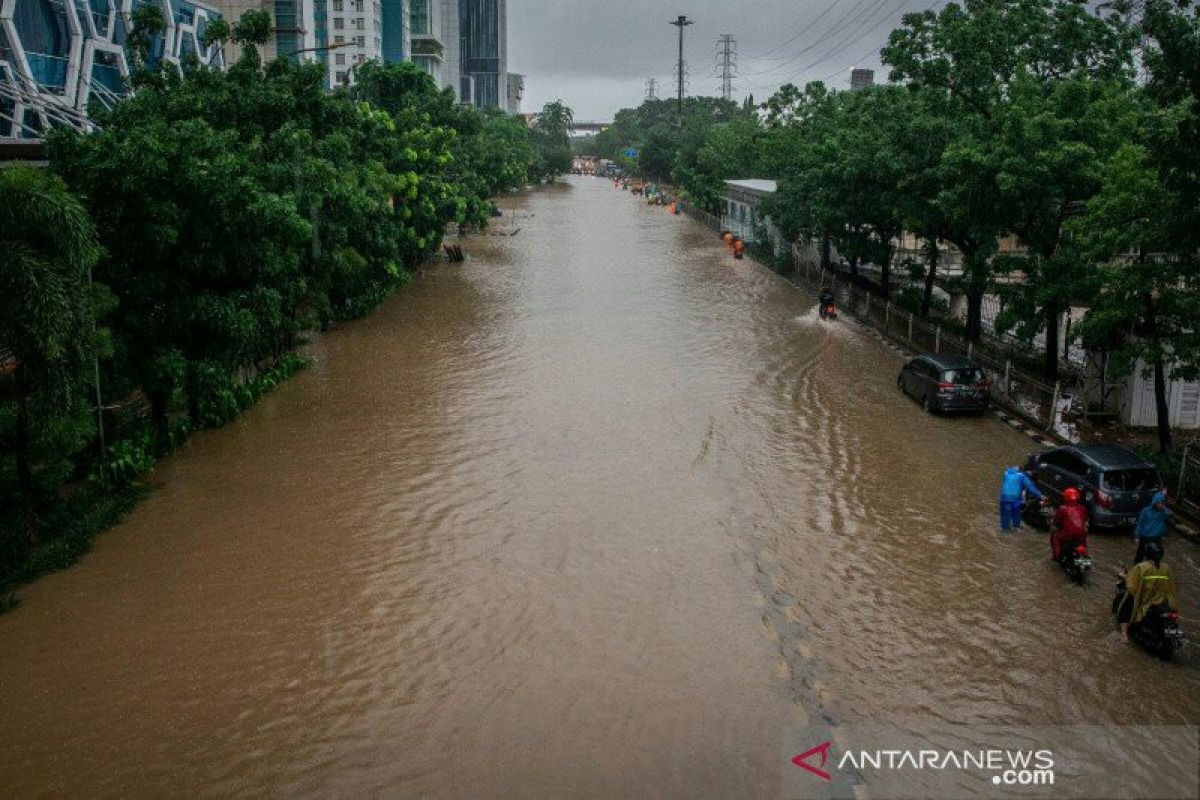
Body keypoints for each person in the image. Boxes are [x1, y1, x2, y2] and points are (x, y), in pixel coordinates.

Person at [1116, 541, 1178, 640]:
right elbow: (1172, 586)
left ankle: (1124, 634)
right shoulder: (1166, 568)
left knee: (1127, 604)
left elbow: (1132, 585)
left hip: (1147, 601)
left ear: (1147, 554)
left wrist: (1123, 576)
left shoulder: (1142, 567)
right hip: (1162, 602)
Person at [1051, 487, 1089, 561]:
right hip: (1081, 534)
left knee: (1054, 536)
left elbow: (1056, 521)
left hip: (1067, 534)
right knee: (1084, 542)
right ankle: (1085, 555)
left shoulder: (1062, 509)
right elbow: (1085, 519)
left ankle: (1057, 556)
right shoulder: (1082, 508)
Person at [1134, 490, 1171, 564]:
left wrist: (1164, 508)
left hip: (1156, 539)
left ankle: (1152, 573)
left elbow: (1169, 514)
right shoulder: (1146, 510)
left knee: (1154, 559)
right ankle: (1135, 571)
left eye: (1162, 503)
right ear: (1154, 502)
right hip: (1144, 537)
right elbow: (1140, 524)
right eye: (1158, 503)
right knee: (1139, 556)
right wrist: (1137, 536)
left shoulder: (1163, 513)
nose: (1160, 505)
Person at [1000, 466, 1042, 531]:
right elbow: (1030, 487)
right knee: (1016, 513)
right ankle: (1016, 527)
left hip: (1004, 497)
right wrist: (1039, 496)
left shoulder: (1006, 473)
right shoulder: (1022, 476)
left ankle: (1004, 530)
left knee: (1005, 515)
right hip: (1015, 498)